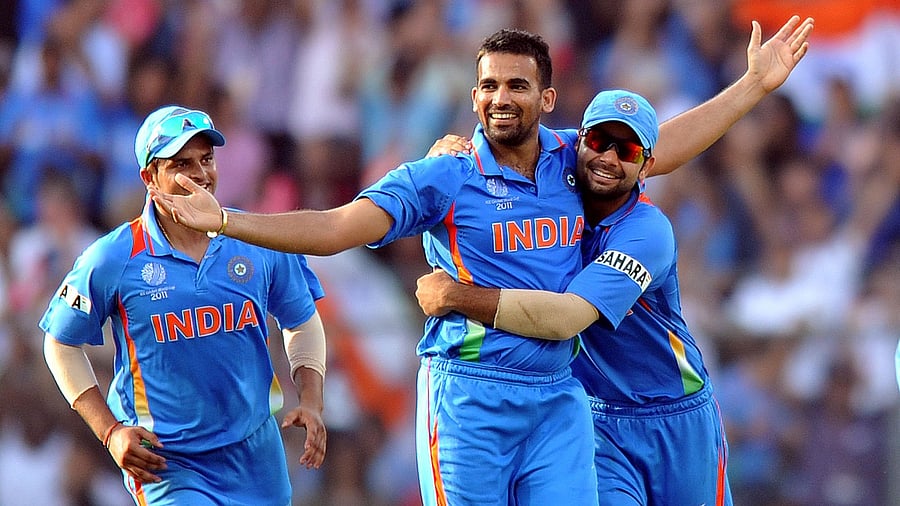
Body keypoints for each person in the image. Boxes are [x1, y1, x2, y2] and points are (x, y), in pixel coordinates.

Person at [150, 17, 813, 506]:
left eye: (518, 86)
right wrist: (228, 220)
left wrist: (752, 87)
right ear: (472, 98)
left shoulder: (572, 161)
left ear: (547, 100)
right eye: (489, 86)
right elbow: (336, 226)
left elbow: (653, 150)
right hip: (470, 397)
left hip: (560, 399)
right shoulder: (442, 176)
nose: (501, 97)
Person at [416, 88, 734, 504]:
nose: (608, 158)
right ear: (578, 141)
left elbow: (566, 319)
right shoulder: (556, 175)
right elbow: (494, 154)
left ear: (645, 166)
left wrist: (457, 296)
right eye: (600, 142)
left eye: (628, 150)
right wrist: (444, 162)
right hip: (599, 421)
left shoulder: (647, 232)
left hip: (678, 416)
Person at [38, 105, 328, 505]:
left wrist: (311, 401)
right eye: (180, 164)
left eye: (206, 159)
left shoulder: (257, 239)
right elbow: (59, 342)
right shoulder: (112, 257)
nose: (200, 174)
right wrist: (110, 431)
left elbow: (302, 320)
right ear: (148, 177)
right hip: (169, 463)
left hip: (257, 453)